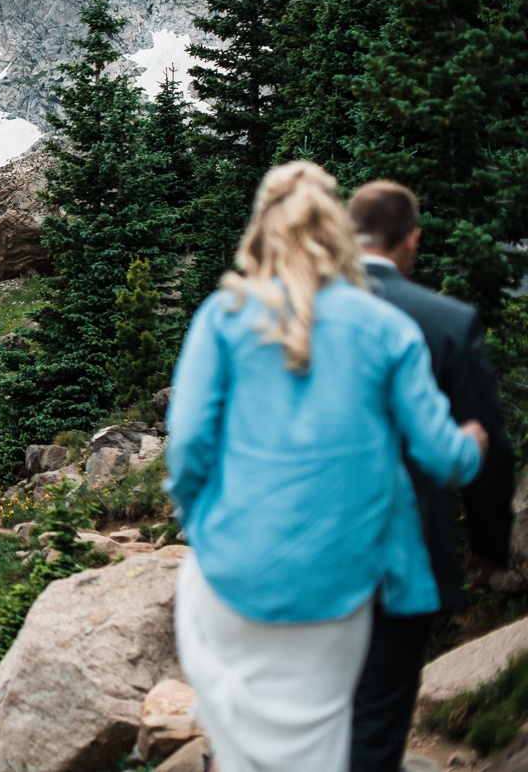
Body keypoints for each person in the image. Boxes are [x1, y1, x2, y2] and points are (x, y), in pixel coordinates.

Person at [165, 161, 488, 772]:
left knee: (240, 753)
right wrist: (473, 442)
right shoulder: (386, 327)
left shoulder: (224, 315)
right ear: (338, 232)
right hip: (342, 582)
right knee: (323, 742)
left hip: (233, 574)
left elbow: (187, 449)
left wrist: (202, 522)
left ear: (263, 230)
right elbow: (440, 455)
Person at [347, 181, 515, 772]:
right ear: (412, 240)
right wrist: (489, 546)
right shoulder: (446, 320)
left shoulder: (295, 318)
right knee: (378, 718)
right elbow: (485, 442)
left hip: (301, 550)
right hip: (405, 548)